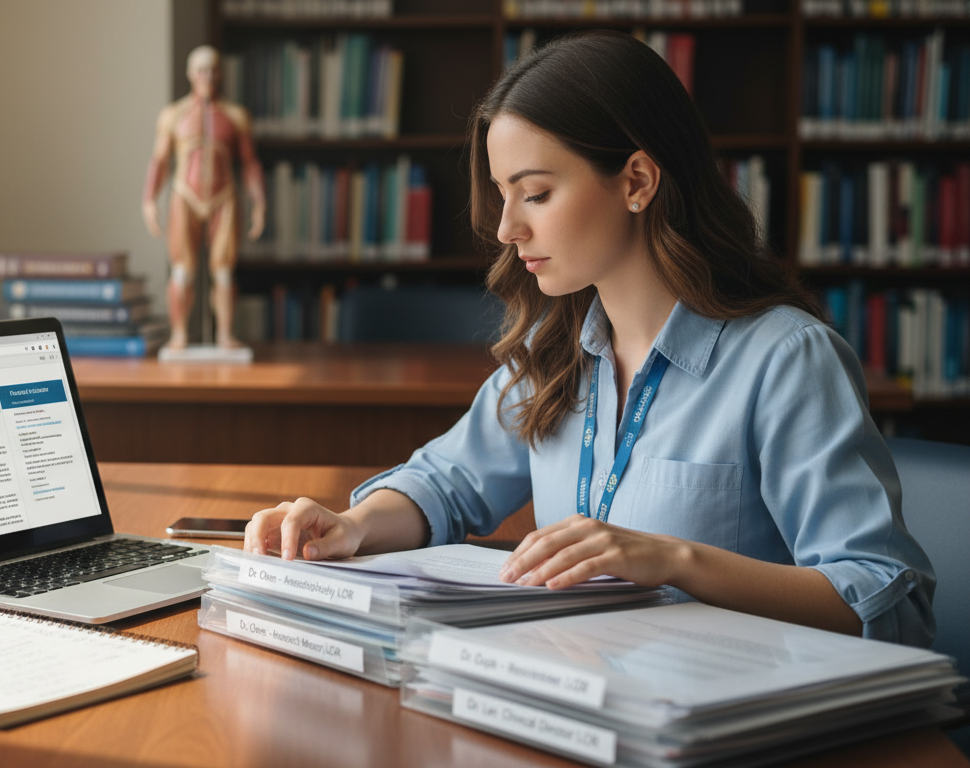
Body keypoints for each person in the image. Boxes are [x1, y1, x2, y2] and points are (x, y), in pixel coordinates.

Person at [243, 30, 935, 646]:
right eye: (502, 195)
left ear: (636, 181)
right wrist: (356, 524)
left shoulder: (786, 360)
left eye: (535, 193)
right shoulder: (556, 348)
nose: (507, 229)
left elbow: (884, 599)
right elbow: (445, 483)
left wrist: (673, 560)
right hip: (572, 697)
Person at [143, 44, 266, 350]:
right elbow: (159, 161)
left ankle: (224, 333)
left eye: (212, 70)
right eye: (201, 70)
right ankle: (179, 333)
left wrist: (259, 202)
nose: (207, 76)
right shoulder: (173, 115)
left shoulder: (236, 116)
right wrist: (149, 199)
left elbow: (250, 162)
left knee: (224, 271)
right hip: (185, 195)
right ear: (190, 74)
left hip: (223, 196)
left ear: (220, 74)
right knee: (182, 269)